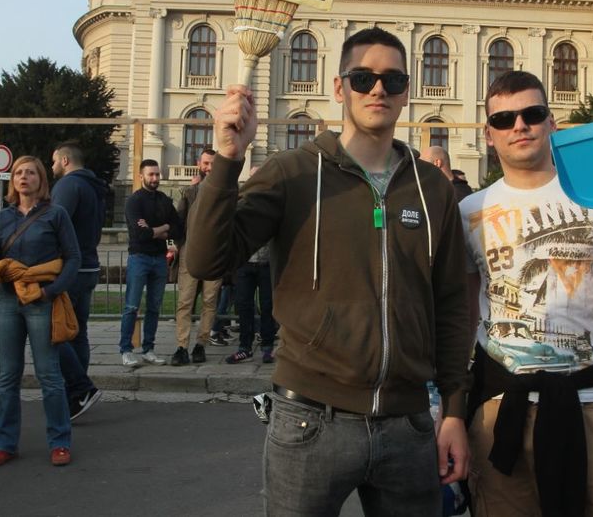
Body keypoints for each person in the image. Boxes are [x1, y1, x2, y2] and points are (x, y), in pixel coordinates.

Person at [184, 27, 473, 516]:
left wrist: (454, 412)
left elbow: (451, 303)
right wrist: (228, 160)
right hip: (311, 422)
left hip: (409, 425)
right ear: (339, 88)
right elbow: (207, 261)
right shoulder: (292, 172)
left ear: (406, 91)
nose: (377, 89)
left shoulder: (431, 188)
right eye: (362, 78)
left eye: (391, 80)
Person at [460, 70, 593, 516]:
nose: (519, 126)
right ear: (489, 134)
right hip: (501, 410)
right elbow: (460, 322)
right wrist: (452, 415)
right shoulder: (469, 212)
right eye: (504, 119)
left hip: (590, 405)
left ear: (551, 123)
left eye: (532, 114)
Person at [0, 155, 80, 468]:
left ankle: (60, 441)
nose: (23, 177)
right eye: (19, 172)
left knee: (49, 375)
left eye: (31, 173)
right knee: (8, 376)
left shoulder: (55, 214)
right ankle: (5, 444)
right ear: (13, 181)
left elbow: (72, 259)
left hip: (41, 300)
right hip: (7, 300)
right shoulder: (3, 217)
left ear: (41, 180)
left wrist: (50, 291)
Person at [51, 142, 109, 419]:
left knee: (54, 333)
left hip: (69, 269)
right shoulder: (95, 187)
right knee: (77, 332)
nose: (51, 168)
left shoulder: (67, 186)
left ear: (64, 160)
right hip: (89, 265)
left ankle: (80, 388)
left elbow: (54, 225)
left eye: (53, 162)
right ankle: (77, 395)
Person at [120, 159, 183, 367]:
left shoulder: (164, 200)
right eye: (151, 174)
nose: (155, 178)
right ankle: (126, 349)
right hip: (139, 257)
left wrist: (163, 236)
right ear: (141, 176)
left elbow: (177, 228)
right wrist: (162, 230)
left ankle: (149, 349)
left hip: (159, 260)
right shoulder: (134, 202)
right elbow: (140, 234)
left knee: (154, 307)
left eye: (157, 174)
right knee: (131, 306)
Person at [170, 149, 222, 365]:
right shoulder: (189, 193)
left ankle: (201, 344)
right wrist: (177, 247)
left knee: (210, 302)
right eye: (206, 163)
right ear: (199, 163)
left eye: (213, 164)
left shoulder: (225, 194)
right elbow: (178, 223)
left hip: (214, 256)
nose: (209, 167)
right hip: (189, 256)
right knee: (185, 302)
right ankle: (181, 346)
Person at [225, 167, 275, 365]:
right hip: (245, 262)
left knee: (268, 305)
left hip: (267, 263)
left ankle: (267, 346)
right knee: (243, 304)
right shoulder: (241, 201)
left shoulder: (272, 203)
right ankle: (245, 347)